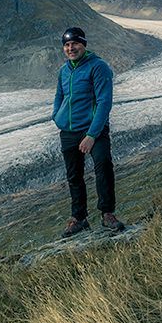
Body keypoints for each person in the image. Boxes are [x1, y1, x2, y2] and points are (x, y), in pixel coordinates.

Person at [51, 27, 125, 237]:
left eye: (74, 43)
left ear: (83, 44)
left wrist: (92, 135)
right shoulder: (64, 70)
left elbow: (104, 102)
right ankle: (79, 218)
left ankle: (107, 214)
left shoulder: (98, 67)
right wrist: (57, 116)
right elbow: (59, 95)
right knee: (74, 175)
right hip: (69, 130)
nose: (70, 48)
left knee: (103, 167)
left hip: (94, 128)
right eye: (66, 45)